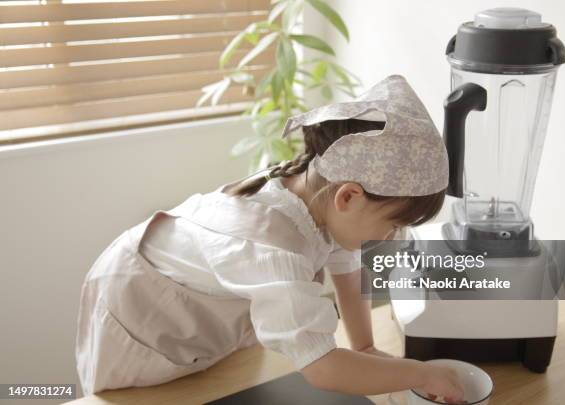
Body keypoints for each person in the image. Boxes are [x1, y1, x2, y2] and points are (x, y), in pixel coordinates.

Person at [75, 74, 465, 403]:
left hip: (197, 306)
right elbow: (323, 367)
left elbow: (345, 266)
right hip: (138, 306)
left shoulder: (319, 198)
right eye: (394, 223)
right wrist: (420, 375)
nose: (393, 236)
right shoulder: (274, 245)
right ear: (349, 196)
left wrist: (364, 347)